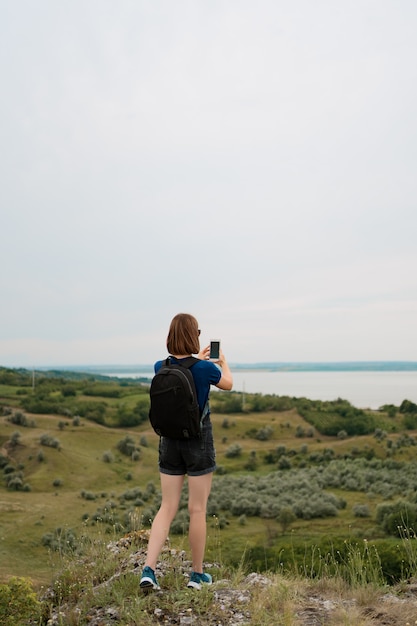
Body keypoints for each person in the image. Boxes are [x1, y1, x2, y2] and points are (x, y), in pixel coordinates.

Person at [140, 313, 233, 591]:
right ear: (195, 335)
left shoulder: (160, 366)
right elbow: (227, 383)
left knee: (166, 507)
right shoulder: (205, 369)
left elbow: (183, 373)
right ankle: (196, 575)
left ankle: (148, 570)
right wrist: (222, 362)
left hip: (168, 441)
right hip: (198, 442)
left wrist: (199, 363)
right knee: (197, 509)